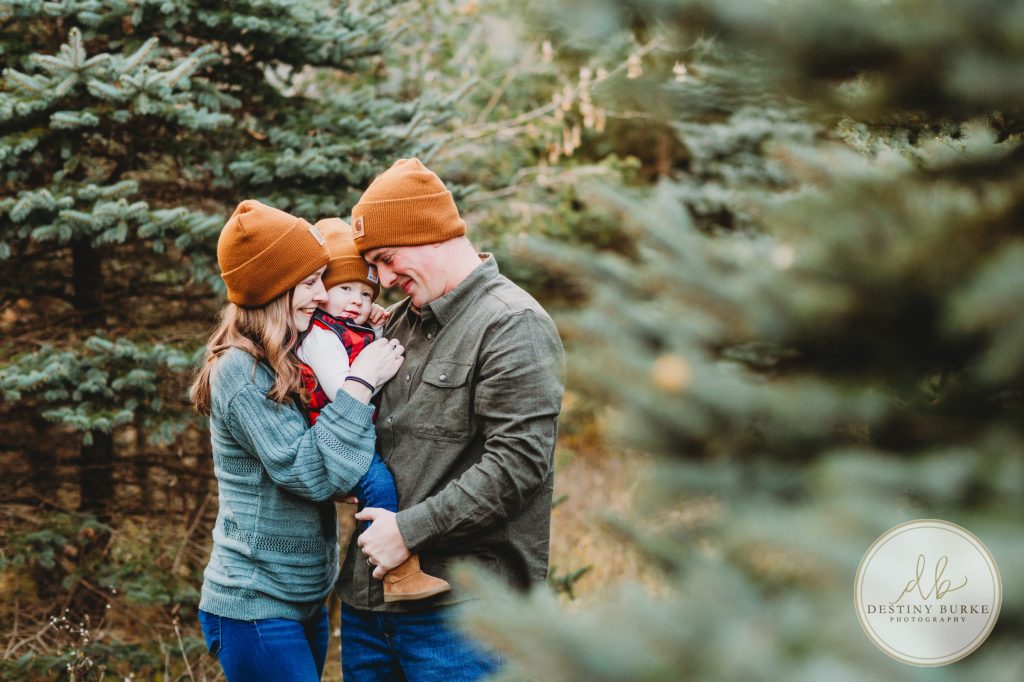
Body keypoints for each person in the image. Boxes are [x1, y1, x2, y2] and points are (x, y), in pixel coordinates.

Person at [336, 158, 566, 681]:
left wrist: (410, 531)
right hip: (369, 608)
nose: (385, 280)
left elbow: (517, 465)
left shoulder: (513, 325)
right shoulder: (395, 323)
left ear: (430, 234)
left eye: (388, 260)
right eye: (375, 266)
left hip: (464, 617)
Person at [189, 199, 406, 682]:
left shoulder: (289, 357)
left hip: (304, 594)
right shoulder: (240, 373)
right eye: (309, 282)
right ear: (274, 288)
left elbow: (329, 457)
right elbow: (306, 471)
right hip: (254, 602)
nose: (320, 293)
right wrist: (359, 383)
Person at [296, 217, 451, 602]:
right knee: (379, 484)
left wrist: (379, 330)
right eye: (344, 289)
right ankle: (397, 573)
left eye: (366, 295)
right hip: (338, 437)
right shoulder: (319, 335)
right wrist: (375, 370)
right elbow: (342, 390)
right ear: (322, 292)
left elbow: (366, 348)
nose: (356, 301)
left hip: (360, 432)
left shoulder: (352, 327)